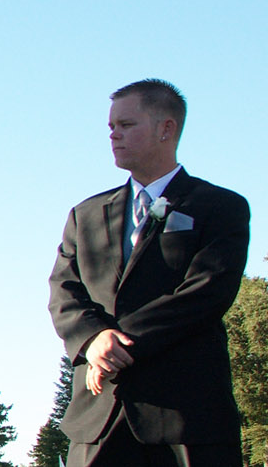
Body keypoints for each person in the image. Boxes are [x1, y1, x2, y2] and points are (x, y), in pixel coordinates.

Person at [49, 79, 251, 466]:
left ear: (166, 128)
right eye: (111, 127)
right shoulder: (86, 214)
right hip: (98, 419)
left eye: (126, 125)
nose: (114, 134)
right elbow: (64, 290)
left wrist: (118, 346)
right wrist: (93, 340)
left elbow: (206, 292)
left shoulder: (220, 207)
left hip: (186, 421)